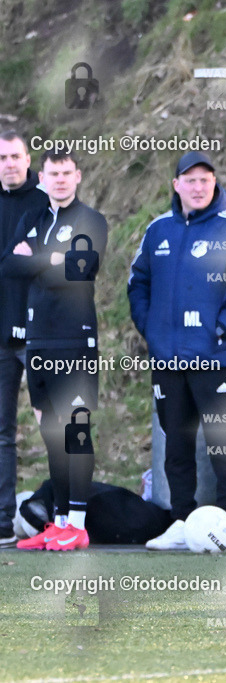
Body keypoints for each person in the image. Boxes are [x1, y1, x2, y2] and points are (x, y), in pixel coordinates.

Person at [128, 151, 226, 550]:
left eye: (205, 179)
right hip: (168, 361)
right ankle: (180, 520)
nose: (198, 186)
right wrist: (152, 329)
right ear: (176, 185)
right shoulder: (158, 230)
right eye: (190, 180)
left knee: (224, 444)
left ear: (214, 184)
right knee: (176, 445)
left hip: (217, 360)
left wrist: (219, 329)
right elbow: (137, 283)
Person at [0, 150, 107, 550]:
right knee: (51, 433)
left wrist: (38, 260)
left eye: (66, 173)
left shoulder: (90, 220)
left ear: (77, 177)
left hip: (74, 341)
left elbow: (81, 269)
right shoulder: (34, 218)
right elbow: (8, 265)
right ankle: (60, 520)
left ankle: (78, 523)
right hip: (38, 341)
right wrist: (54, 260)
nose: (60, 180)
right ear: (41, 178)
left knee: (75, 430)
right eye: (53, 174)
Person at [0, 131, 50, 547]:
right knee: (1, 434)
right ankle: (1, 521)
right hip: (0, 338)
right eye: (2, 158)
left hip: (38, 334)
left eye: (15, 156)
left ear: (27, 159)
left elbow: (51, 262)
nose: (9, 164)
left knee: (52, 427)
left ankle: (64, 515)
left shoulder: (45, 201)